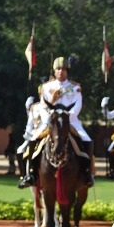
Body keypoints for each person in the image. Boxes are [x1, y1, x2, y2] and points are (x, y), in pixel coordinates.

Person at [38, 56, 95, 187]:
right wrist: (48, 119)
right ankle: (30, 173)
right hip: (51, 121)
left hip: (70, 120)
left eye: (63, 69)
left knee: (87, 140)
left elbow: (78, 104)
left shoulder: (75, 88)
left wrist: (67, 116)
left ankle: (87, 174)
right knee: (33, 139)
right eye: (58, 69)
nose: (60, 71)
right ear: (54, 71)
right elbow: (42, 105)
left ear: (67, 71)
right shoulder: (47, 87)